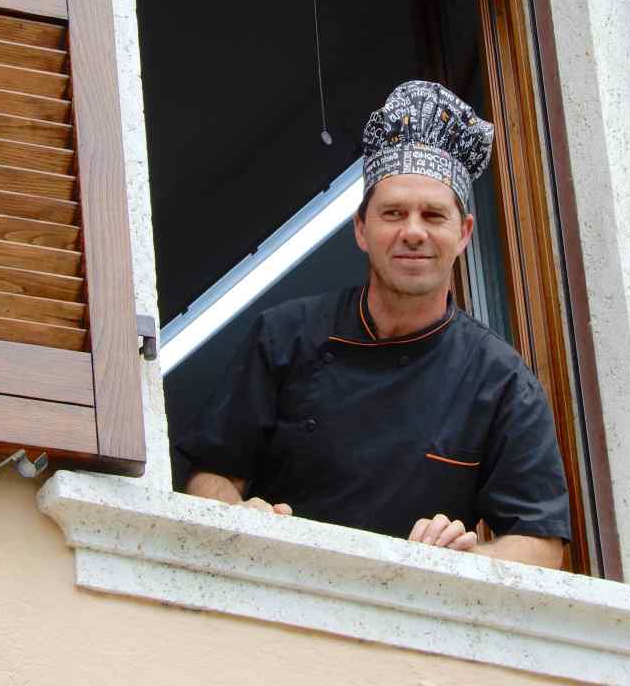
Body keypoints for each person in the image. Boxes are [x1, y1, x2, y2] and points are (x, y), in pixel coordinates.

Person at [177, 81, 570, 568]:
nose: (413, 232)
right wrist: (240, 517)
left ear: (464, 233)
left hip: (415, 606)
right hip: (281, 585)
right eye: (393, 213)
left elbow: (542, 543)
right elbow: (209, 475)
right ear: (361, 229)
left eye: (433, 215)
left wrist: (464, 561)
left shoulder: (501, 380)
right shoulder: (285, 335)